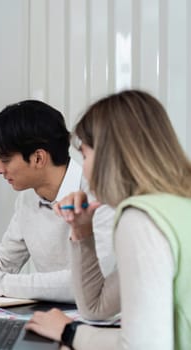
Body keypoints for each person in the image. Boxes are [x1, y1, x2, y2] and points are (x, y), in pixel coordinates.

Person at [25, 90, 191, 349]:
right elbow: (96, 307)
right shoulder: (177, 206)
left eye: (86, 155)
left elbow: (144, 346)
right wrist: (82, 231)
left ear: (108, 158)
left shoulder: (141, 220)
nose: (85, 169)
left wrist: (69, 332)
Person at [0, 100, 116, 302]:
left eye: (6, 159)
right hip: (55, 314)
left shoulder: (101, 196)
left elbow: (86, 282)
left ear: (38, 158)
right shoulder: (28, 197)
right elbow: (3, 261)